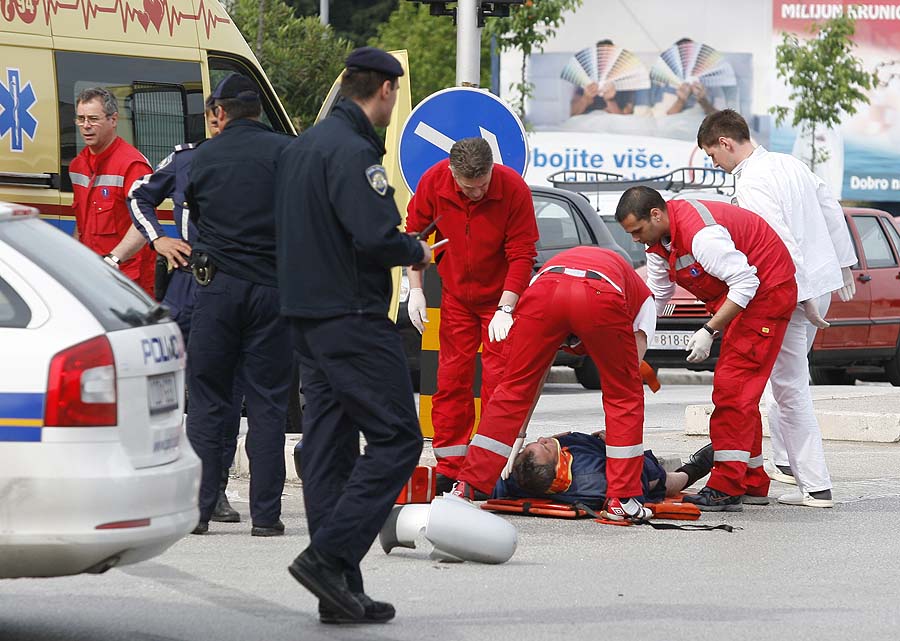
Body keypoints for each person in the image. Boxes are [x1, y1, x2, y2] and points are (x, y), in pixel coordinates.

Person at [275, 47, 431, 624]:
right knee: (397, 441)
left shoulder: (304, 145)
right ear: (386, 91)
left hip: (307, 320)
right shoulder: (353, 150)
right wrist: (413, 249)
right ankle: (327, 557)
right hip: (353, 317)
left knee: (328, 452)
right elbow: (372, 234)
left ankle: (340, 591)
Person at [696, 109, 858, 508]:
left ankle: (815, 485)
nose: (715, 165)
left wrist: (800, 295)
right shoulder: (790, 164)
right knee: (781, 383)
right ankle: (786, 465)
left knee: (789, 388)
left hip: (791, 292)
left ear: (726, 143)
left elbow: (779, 244)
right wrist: (843, 265)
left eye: (713, 156)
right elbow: (831, 210)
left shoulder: (752, 182)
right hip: (815, 284)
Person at [616, 187, 797, 511]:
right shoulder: (658, 242)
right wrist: (633, 336)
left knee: (732, 390)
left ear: (656, 215)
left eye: (638, 231)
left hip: (765, 296)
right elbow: (657, 296)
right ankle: (752, 482)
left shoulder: (702, 236)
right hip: (743, 301)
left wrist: (709, 330)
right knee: (741, 396)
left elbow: (747, 283)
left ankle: (726, 487)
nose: (636, 240)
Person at [449, 246, 657, 522]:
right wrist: (616, 435)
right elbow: (624, 383)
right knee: (625, 394)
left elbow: (530, 381)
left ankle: (467, 487)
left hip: (545, 289)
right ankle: (622, 499)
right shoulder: (644, 303)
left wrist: (518, 433)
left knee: (511, 389)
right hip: (598, 293)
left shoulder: (553, 279)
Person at [184, 73, 292, 537]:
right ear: (258, 110)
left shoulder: (203, 156)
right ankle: (265, 517)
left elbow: (193, 211)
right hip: (273, 292)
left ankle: (199, 511)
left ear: (221, 112)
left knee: (208, 399)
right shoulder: (287, 153)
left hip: (218, 289)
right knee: (267, 403)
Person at [127, 96, 242, 524]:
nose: (218, 123)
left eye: (224, 117)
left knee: (224, 393)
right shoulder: (185, 159)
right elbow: (139, 196)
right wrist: (158, 238)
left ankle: (215, 487)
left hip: (231, 284)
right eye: (214, 117)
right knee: (168, 388)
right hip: (186, 283)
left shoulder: (256, 158)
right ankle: (163, 481)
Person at [405, 137, 539, 491]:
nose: (477, 193)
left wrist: (506, 308)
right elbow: (416, 238)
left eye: (482, 186)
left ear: (491, 170)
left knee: (499, 383)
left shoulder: (512, 189)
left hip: (499, 300)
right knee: (450, 381)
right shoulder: (433, 182)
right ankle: (451, 466)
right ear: (452, 174)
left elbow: (523, 253)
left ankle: (490, 470)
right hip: (456, 298)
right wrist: (416, 289)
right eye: (469, 188)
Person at [69, 87, 155, 295]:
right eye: (81, 119)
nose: (86, 126)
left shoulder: (132, 165)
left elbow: (143, 222)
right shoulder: (78, 165)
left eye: (93, 119)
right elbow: (82, 225)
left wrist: (113, 260)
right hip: (92, 274)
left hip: (127, 278)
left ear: (113, 119)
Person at [497, 431, 714, 508]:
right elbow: (635, 482)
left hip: (600, 451)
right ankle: (696, 467)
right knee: (668, 480)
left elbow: (493, 486)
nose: (543, 439)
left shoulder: (518, 476)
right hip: (638, 471)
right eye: (545, 446)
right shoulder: (593, 478)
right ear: (556, 466)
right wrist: (619, 447)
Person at [569, 40, 636, 116]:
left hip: (612, 123)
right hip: (589, 122)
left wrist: (610, 101)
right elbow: (572, 113)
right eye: (601, 56)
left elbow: (627, 119)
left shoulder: (625, 82)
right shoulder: (585, 80)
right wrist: (585, 98)